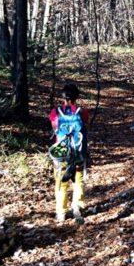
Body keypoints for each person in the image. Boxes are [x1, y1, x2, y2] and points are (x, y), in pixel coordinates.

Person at [49, 83, 91, 224]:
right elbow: (86, 126)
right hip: (78, 151)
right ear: (77, 97)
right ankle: (77, 207)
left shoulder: (55, 112)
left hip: (61, 152)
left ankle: (61, 211)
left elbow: (55, 129)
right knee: (78, 180)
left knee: (61, 181)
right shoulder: (82, 112)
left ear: (63, 97)